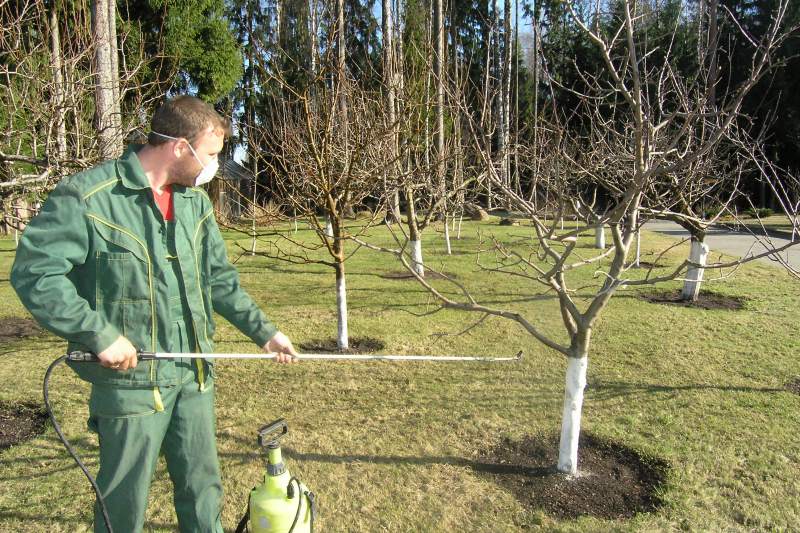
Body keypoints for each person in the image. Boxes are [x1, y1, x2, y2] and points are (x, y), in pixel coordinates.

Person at [10, 95, 297, 532]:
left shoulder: (195, 205)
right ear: (180, 148)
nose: (214, 166)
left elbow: (219, 280)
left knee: (203, 490)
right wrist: (98, 333)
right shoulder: (88, 198)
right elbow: (35, 274)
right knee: (123, 503)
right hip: (131, 388)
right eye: (212, 154)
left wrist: (266, 332)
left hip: (195, 375)